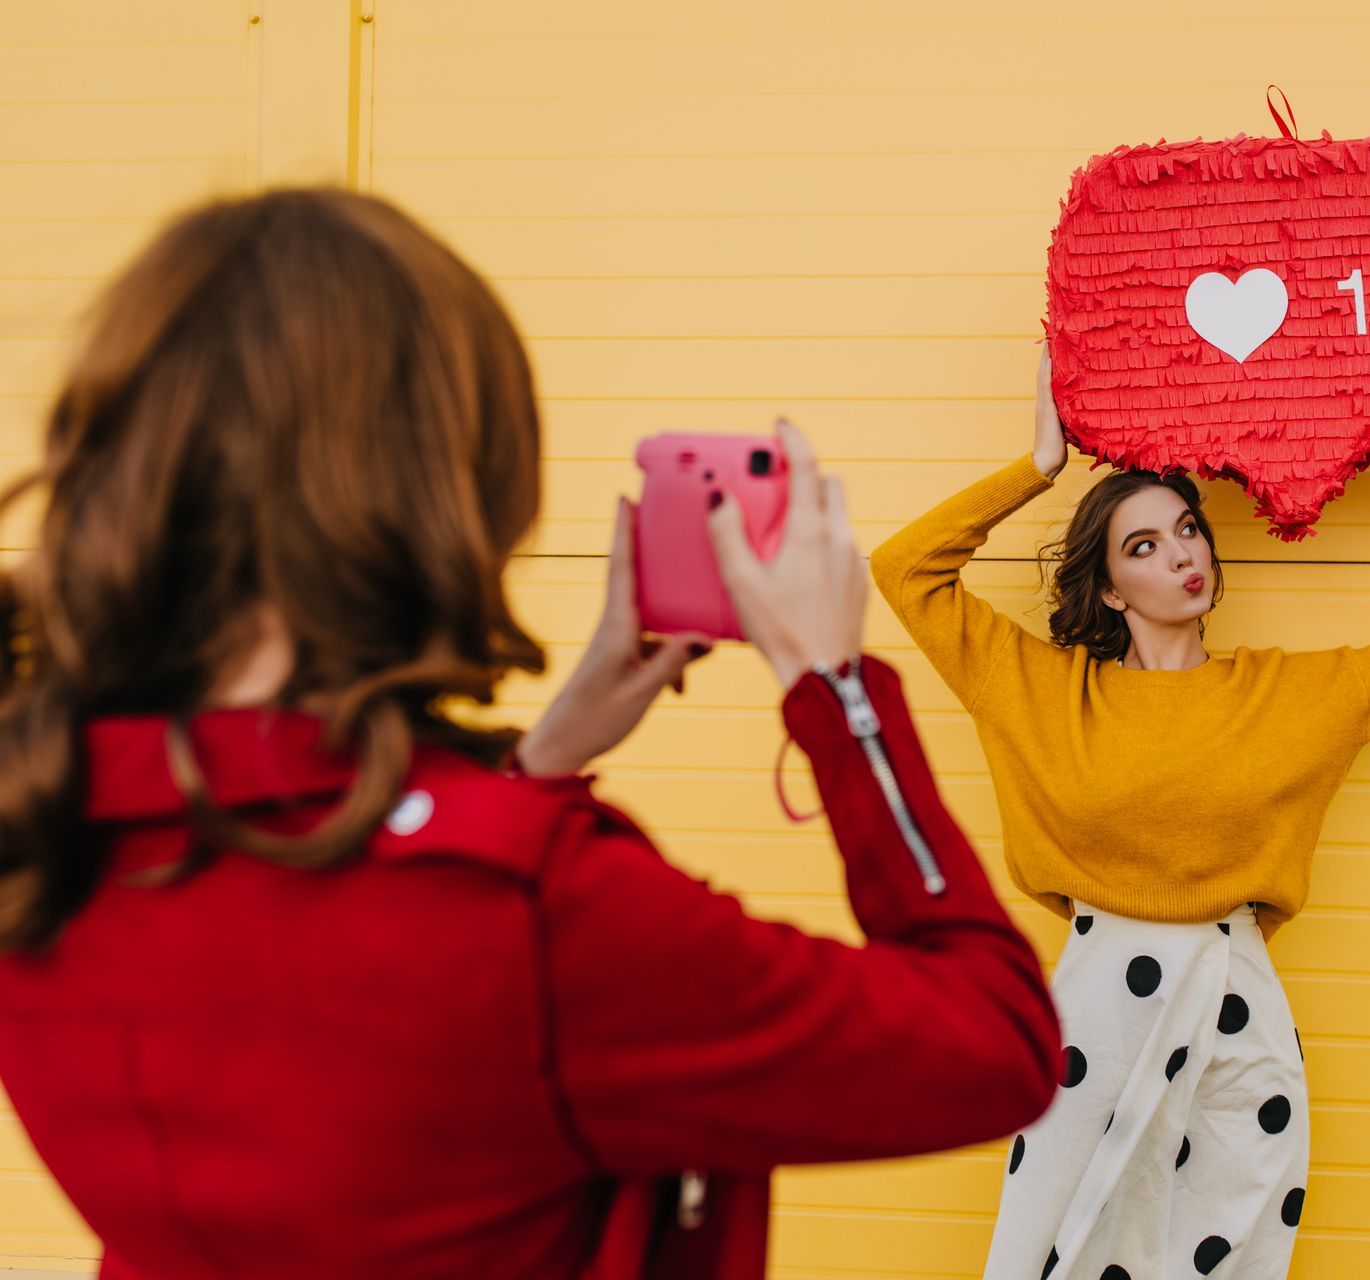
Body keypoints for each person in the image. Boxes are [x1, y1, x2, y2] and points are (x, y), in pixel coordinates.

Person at [0, 188, 1060, 1280]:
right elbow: (996, 1043)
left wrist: (540, 758)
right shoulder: (536, 915)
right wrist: (836, 690)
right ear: (445, 485)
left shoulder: (43, 832)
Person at [869, 344, 1370, 1278]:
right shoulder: (1041, 690)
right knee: (1049, 1256)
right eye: (1143, 546)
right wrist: (1041, 466)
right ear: (1108, 588)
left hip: (1236, 1021)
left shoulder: (1292, 696)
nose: (1182, 552)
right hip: (1094, 1018)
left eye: (1186, 528)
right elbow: (904, 571)